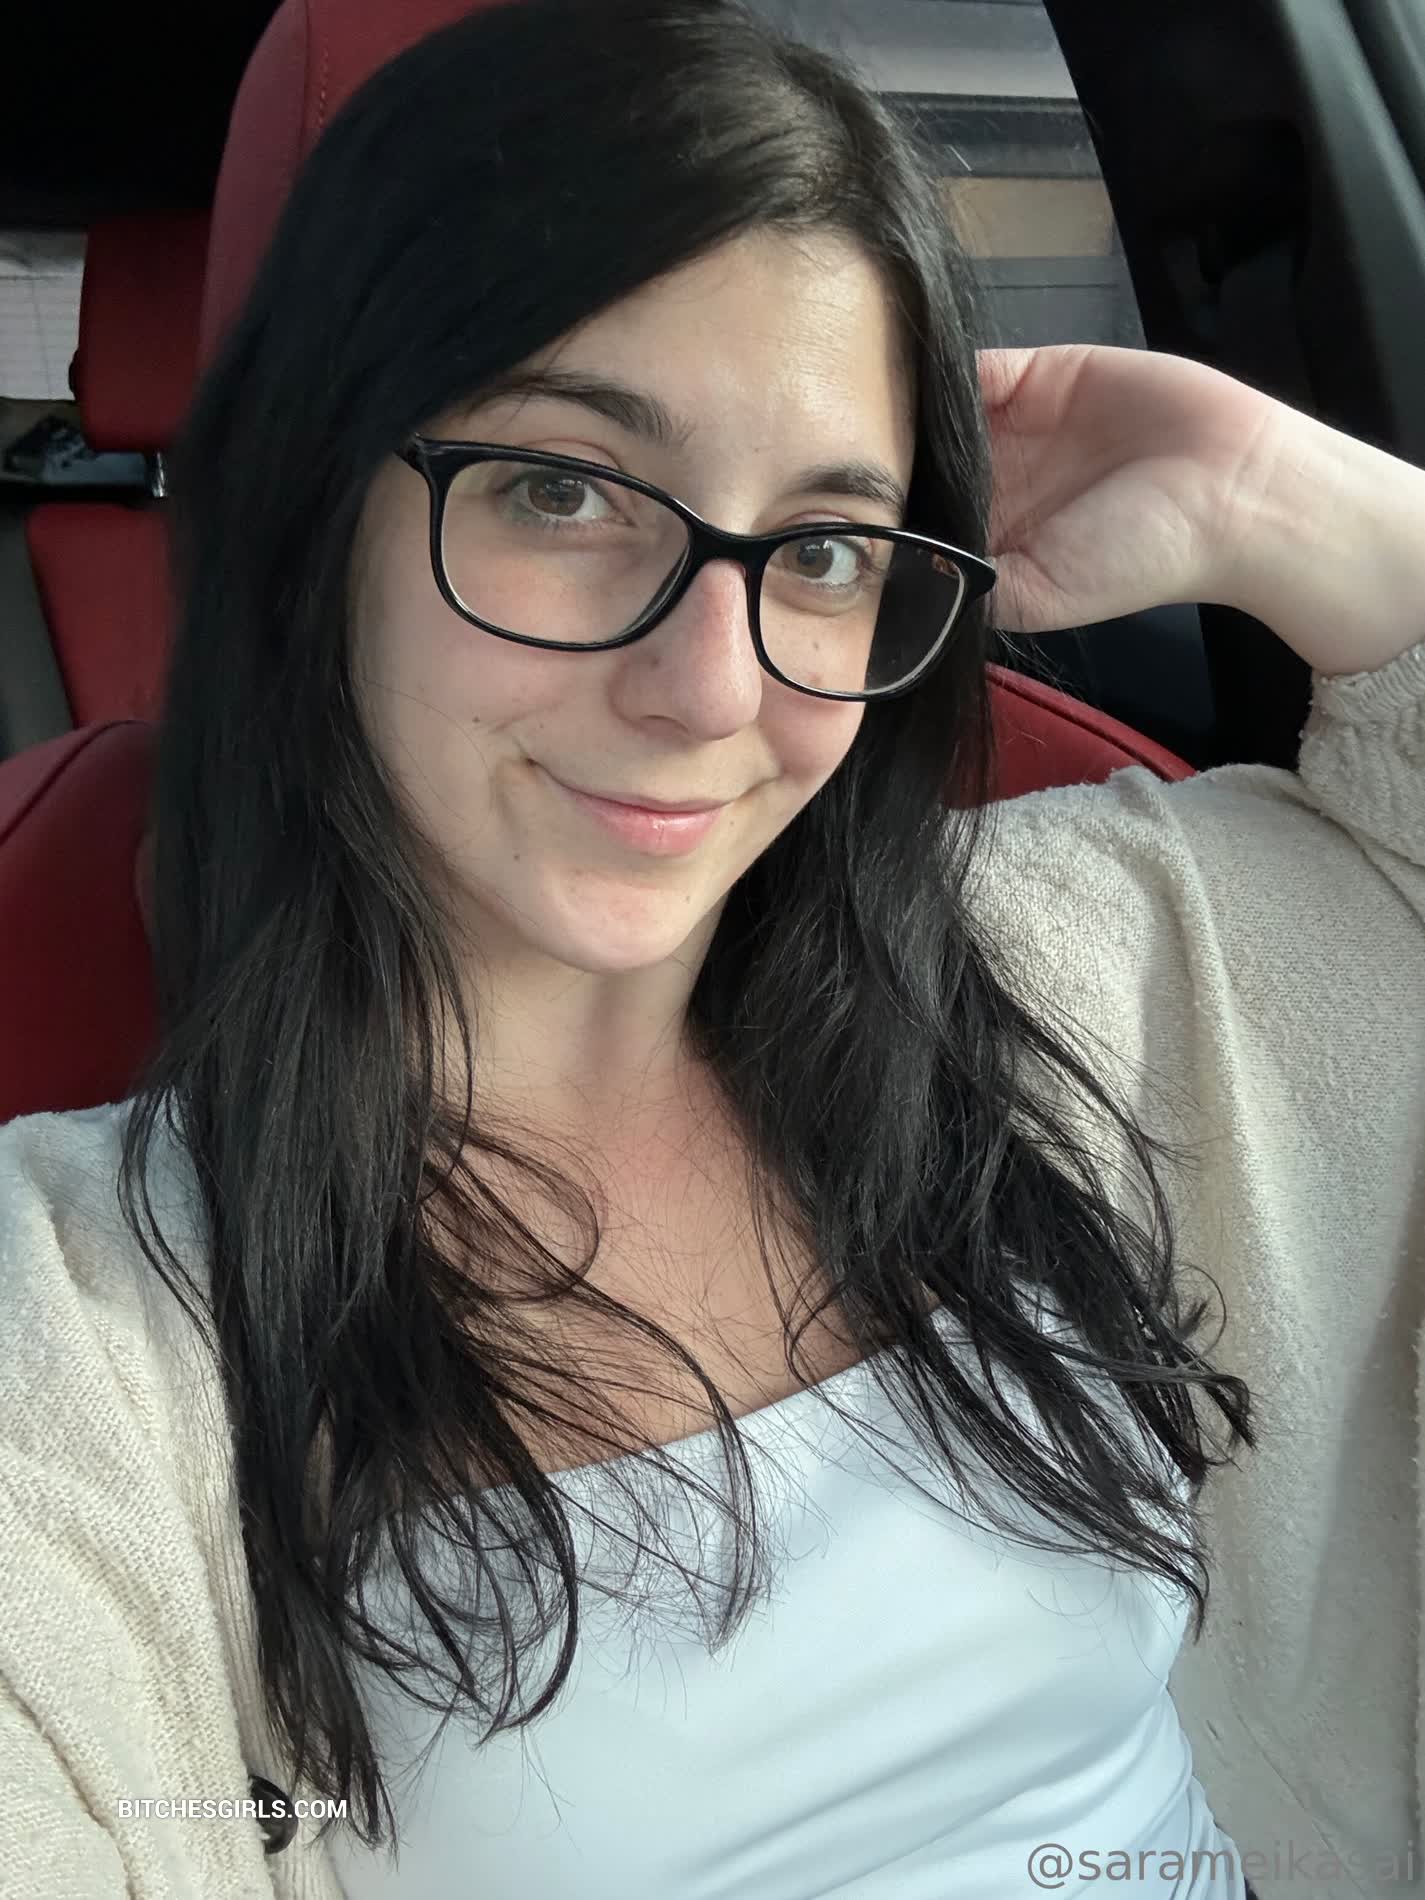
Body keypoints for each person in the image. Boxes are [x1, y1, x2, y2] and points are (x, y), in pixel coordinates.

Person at [0, 0, 1421, 1894]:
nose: (708, 687)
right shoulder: (76, 1331)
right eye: (564, 491)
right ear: (314, 506)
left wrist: (1285, 503)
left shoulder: (1070, 971)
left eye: (822, 547)